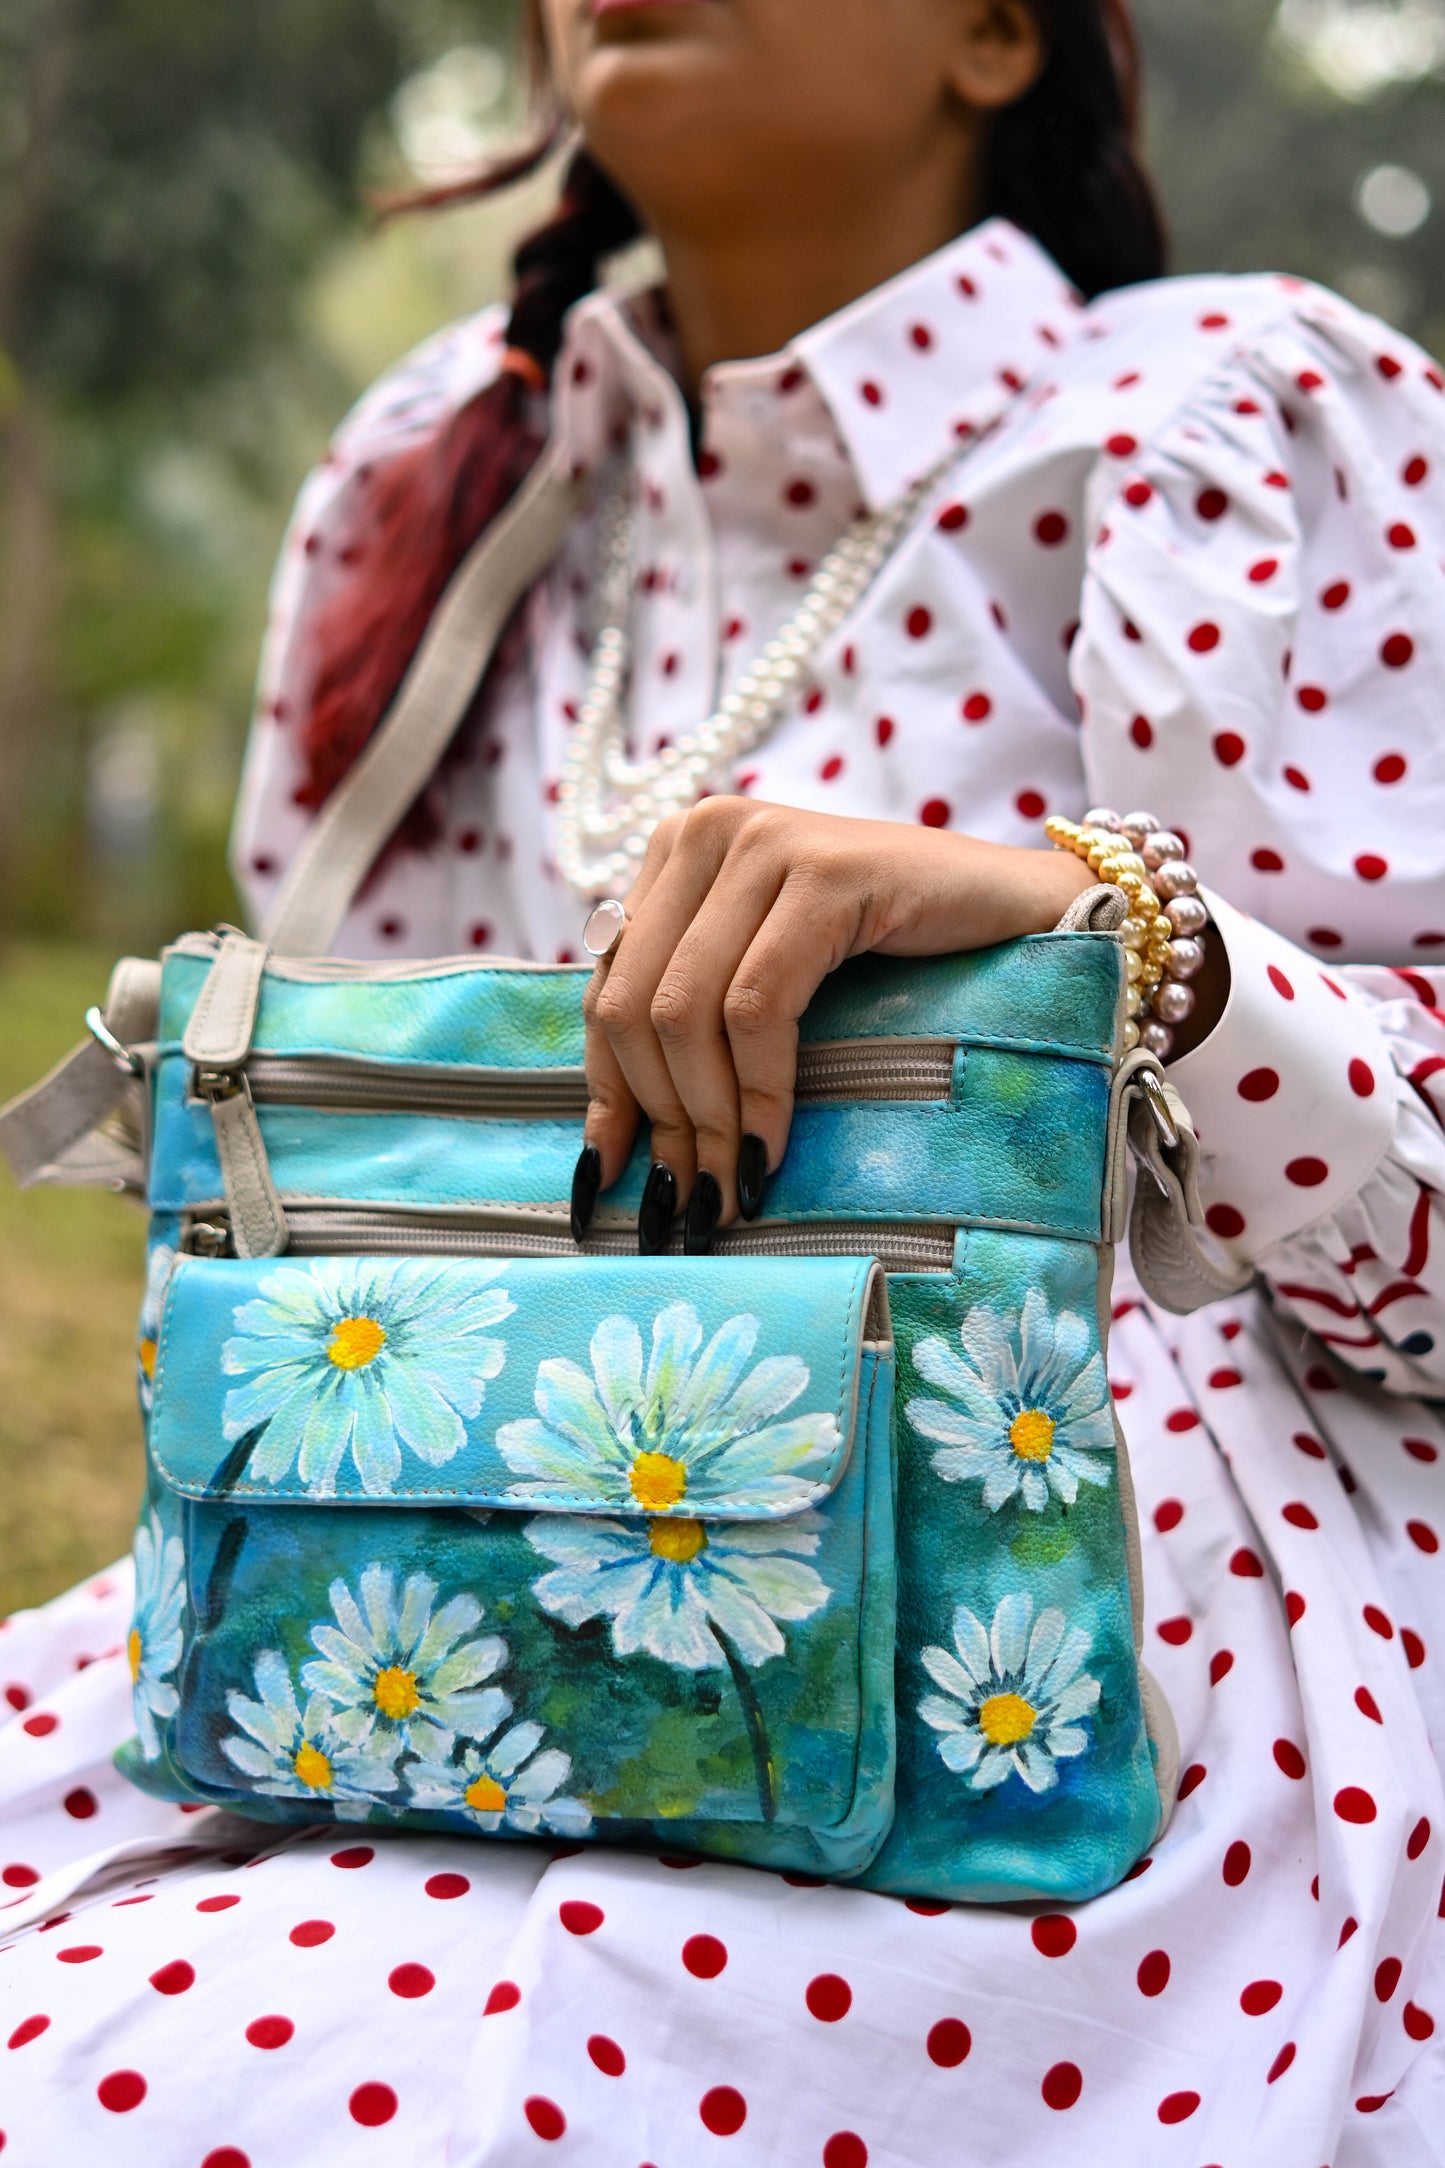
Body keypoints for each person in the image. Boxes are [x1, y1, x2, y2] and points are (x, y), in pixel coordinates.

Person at [2, 1, 1443, 2161]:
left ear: (995, 33)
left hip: (1096, 1620)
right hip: (417, 1555)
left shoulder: (1222, 414)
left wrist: (1116, 941)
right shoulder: (444, 477)